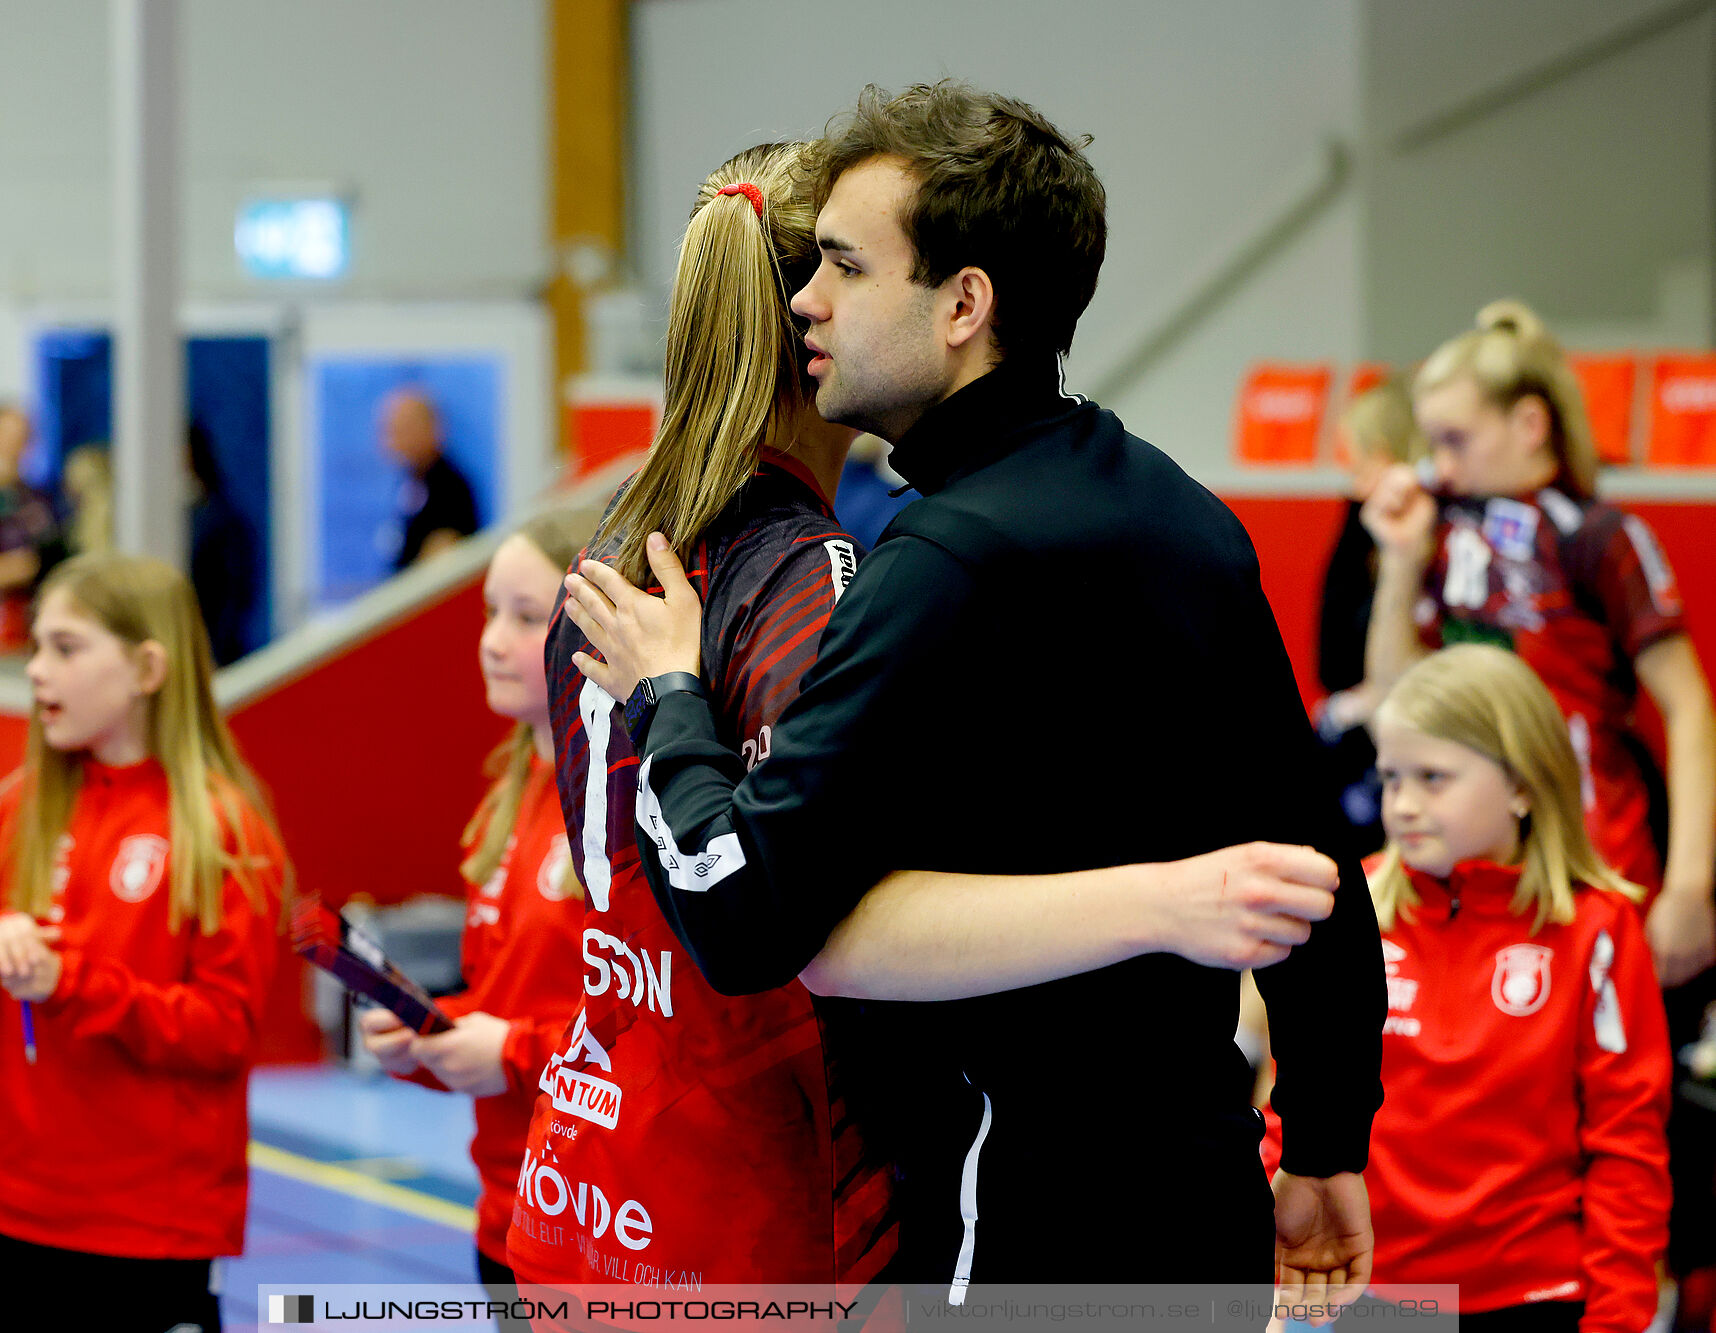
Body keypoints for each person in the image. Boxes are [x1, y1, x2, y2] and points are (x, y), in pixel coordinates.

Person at [560, 82, 1383, 1301]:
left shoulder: (942, 564)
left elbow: (750, 924)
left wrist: (671, 693)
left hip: (1024, 1223)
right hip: (1204, 1188)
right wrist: (1324, 1142)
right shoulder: (1182, 513)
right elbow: (1318, 870)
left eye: (844, 265)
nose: (804, 302)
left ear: (963, 303)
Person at [504, 141, 902, 1295]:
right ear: (815, 320)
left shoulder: (616, 538)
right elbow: (775, 909)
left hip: (593, 1164)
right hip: (746, 1197)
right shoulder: (803, 568)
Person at [1362, 300, 1716, 1294]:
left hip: (1598, 872)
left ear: (1530, 425)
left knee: (1624, 1125)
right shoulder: (1443, 532)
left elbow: (1690, 712)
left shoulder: (1601, 534)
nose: (1437, 464)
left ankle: (1631, 1300)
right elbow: (1402, 702)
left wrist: (1689, 887)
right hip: (1472, 882)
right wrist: (1397, 564)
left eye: (1455, 438)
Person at [0, 552, 288, 1333]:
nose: (37, 670)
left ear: (147, 666)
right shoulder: (23, 805)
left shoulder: (222, 830)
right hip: (18, 1206)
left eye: (65, 648)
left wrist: (70, 981)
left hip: (146, 1228)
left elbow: (225, 1030)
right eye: (35, 648)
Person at [1363, 643, 1670, 1331]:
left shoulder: (1596, 929)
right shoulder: (1357, 908)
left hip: (1536, 1297)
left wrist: (1619, 1317)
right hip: (1368, 1295)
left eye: (1433, 777)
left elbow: (1628, 1144)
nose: (1402, 804)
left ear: (1523, 785)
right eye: (1390, 778)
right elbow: (1301, 1107)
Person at [358, 510, 589, 1322]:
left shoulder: (626, 810)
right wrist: (429, 1032)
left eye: (525, 618)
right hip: (505, 1207)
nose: (492, 640)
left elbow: (662, 1034)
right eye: (489, 612)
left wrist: (516, 1053)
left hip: (602, 1226)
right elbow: (507, 1001)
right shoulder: (512, 798)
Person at [1315, 380, 1427, 851]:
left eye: (1355, 459)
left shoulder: (1429, 539)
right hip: (1369, 716)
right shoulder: (1368, 533)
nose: (1349, 475)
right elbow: (1332, 663)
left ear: (1383, 456)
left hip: (1422, 721)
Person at [187, 422, 260, 666]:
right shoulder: (186, 516)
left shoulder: (221, 519)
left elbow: (236, 594)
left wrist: (214, 652)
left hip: (218, 654)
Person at [383, 388, 479, 570]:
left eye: (403, 429)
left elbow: (442, 559)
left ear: (431, 427)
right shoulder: (410, 480)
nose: (392, 439)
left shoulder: (450, 487)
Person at [0, 403, 61, 652]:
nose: (15, 446)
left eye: (23, 437)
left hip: (29, 625)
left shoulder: (38, 499)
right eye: (8, 436)